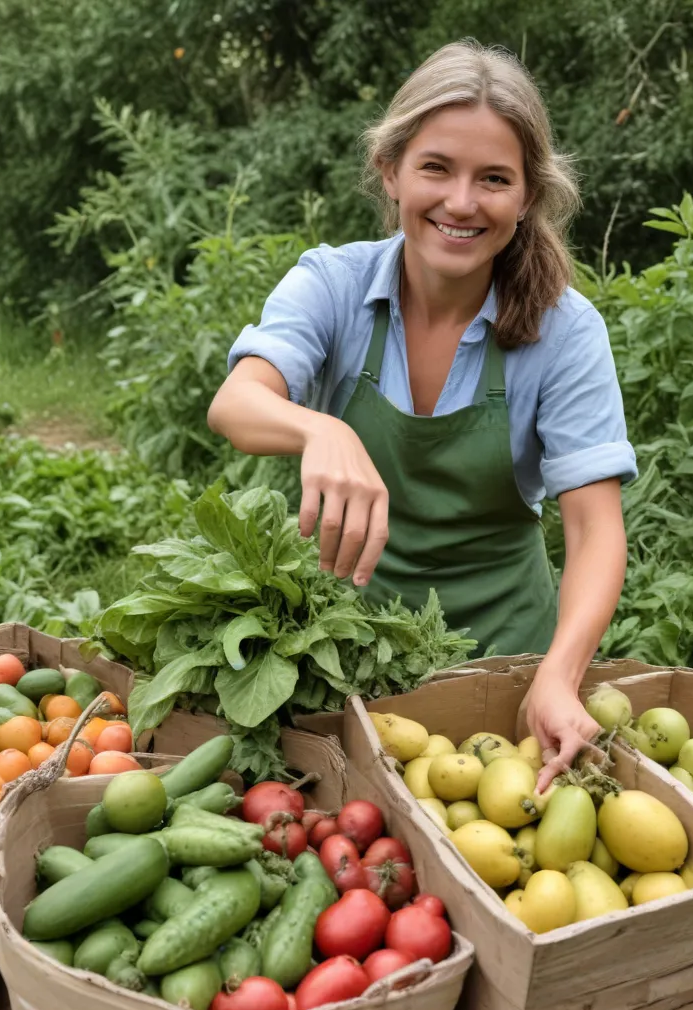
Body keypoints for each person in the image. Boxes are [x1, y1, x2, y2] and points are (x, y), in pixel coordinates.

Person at [207, 39, 637, 791]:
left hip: (507, 663)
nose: (462, 202)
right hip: (345, 651)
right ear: (391, 170)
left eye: (494, 179)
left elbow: (595, 528)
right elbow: (236, 403)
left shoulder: (564, 329)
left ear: (527, 196)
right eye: (437, 167)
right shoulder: (335, 285)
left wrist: (559, 676)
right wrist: (321, 427)